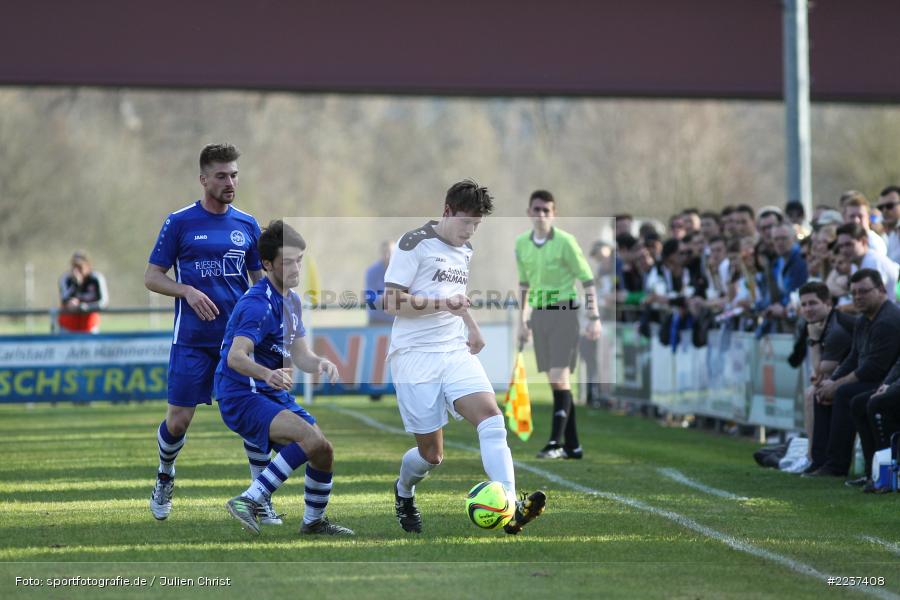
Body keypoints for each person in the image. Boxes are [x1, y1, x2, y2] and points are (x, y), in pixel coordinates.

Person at [384, 180, 546, 535]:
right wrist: (444, 305)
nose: (469, 231)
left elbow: (455, 296)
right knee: (431, 456)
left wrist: (471, 325)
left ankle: (510, 503)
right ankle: (403, 490)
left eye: (476, 225)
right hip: (414, 356)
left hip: (454, 351)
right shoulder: (414, 244)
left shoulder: (465, 249)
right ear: (446, 211)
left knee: (492, 419)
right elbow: (391, 302)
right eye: (465, 222)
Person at [145, 144, 268, 522]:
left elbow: (260, 281)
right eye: (221, 175)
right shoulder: (180, 221)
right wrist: (187, 290)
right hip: (192, 341)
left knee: (254, 417)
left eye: (234, 174)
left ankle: (259, 497)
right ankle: (165, 475)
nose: (230, 182)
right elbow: (152, 277)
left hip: (238, 344)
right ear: (203, 180)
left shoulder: (247, 224)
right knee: (178, 422)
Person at [216, 220, 352, 535]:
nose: (295, 268)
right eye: (287, 262)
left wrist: (320, 362)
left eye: (299, 261)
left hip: (269, 393)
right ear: (266, 264)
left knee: (323, 450)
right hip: (242, 394)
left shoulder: (291, 301)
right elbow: (235, 357)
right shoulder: (258, 304)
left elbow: (301, 354)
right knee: (310, 439)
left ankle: (313, 523)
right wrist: (268, 374)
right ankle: (248, 500)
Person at [516, 190, 602, 460]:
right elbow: (524, 284)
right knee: (558, 382)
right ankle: (573, 446)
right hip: (540, 315)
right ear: (529, 212)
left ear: (554, 213)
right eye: (537, 209)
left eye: (547, 210)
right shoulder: (521, 244)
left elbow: (587, 279)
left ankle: (554, 442)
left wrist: (594, 316)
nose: (541, 214)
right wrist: (522, 320)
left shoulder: (566, 242)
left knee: (558, 376)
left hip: (565, 312)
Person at [808, 269, 900, 479]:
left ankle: (839, 465)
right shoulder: (863, 319)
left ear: (881, 290)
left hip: (883, 381)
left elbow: (874, 368)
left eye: (864, 291)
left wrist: (837, 385)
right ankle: (819, 461)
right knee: (822, 392)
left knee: (846, 394)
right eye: (854, 293)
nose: (858, 297)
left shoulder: (888, 320)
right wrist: (831, 380)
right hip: (873, 379)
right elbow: (853, 358)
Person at [798, 282, 854, 475]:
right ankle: (814, 458)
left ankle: (820, 460)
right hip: (847, 376)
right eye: (803, 304)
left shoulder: (836, 328)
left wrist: (813, 340)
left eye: (813, 303)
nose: (807, 309)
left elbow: (821, 368)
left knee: (816, 393)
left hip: (866, 379)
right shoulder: (825, 322)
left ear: (827, 303)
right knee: (813, 392)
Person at [363, 240, 395, 401]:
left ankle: (400, 390)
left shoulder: (402, 269)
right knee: (376, 357)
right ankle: (375, 392)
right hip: (377, 320)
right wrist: (392, 298)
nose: (388, 255)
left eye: (391, 252)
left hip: (397, 321)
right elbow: (370, 297)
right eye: (385, 252)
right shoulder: (372, 271)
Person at [835, 223, 899, 302]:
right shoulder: (855, 264)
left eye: (849, 244)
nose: (844, 250)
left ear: (863, 241)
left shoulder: (874, 262)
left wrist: (842, 309)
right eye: (841, 246)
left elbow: (875, 301)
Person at [57, 250, 108, 333]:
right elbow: (65, 300)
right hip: (68, 326)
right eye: (74, 266)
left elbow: (103, 302)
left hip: (89, 326)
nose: (77, 270)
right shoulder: (66, 279)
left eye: (80, 266)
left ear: (87, 265)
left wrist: (87, 307)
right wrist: (76, 284)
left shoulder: (96, 278)